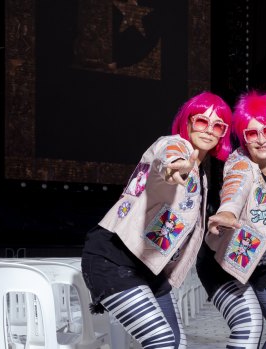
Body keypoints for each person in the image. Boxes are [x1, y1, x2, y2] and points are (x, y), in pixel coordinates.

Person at [80, 91, 232, 348]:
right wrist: (176, 164)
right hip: (115, 258)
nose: (209, 130)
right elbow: (168, 154)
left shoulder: (202, 177)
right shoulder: (173, 144)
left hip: (151, 268)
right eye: (201, 121)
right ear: (187, 122)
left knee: (175, 342)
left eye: (217, 125)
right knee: (161, 340)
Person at [196, 91, 266, 348]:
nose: (262, 140)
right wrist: (227, 212)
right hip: (226, 265)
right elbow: (235, 187)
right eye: (252, 133)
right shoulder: (240, 164)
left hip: (265, 266)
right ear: (244, 138)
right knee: (250, 324)